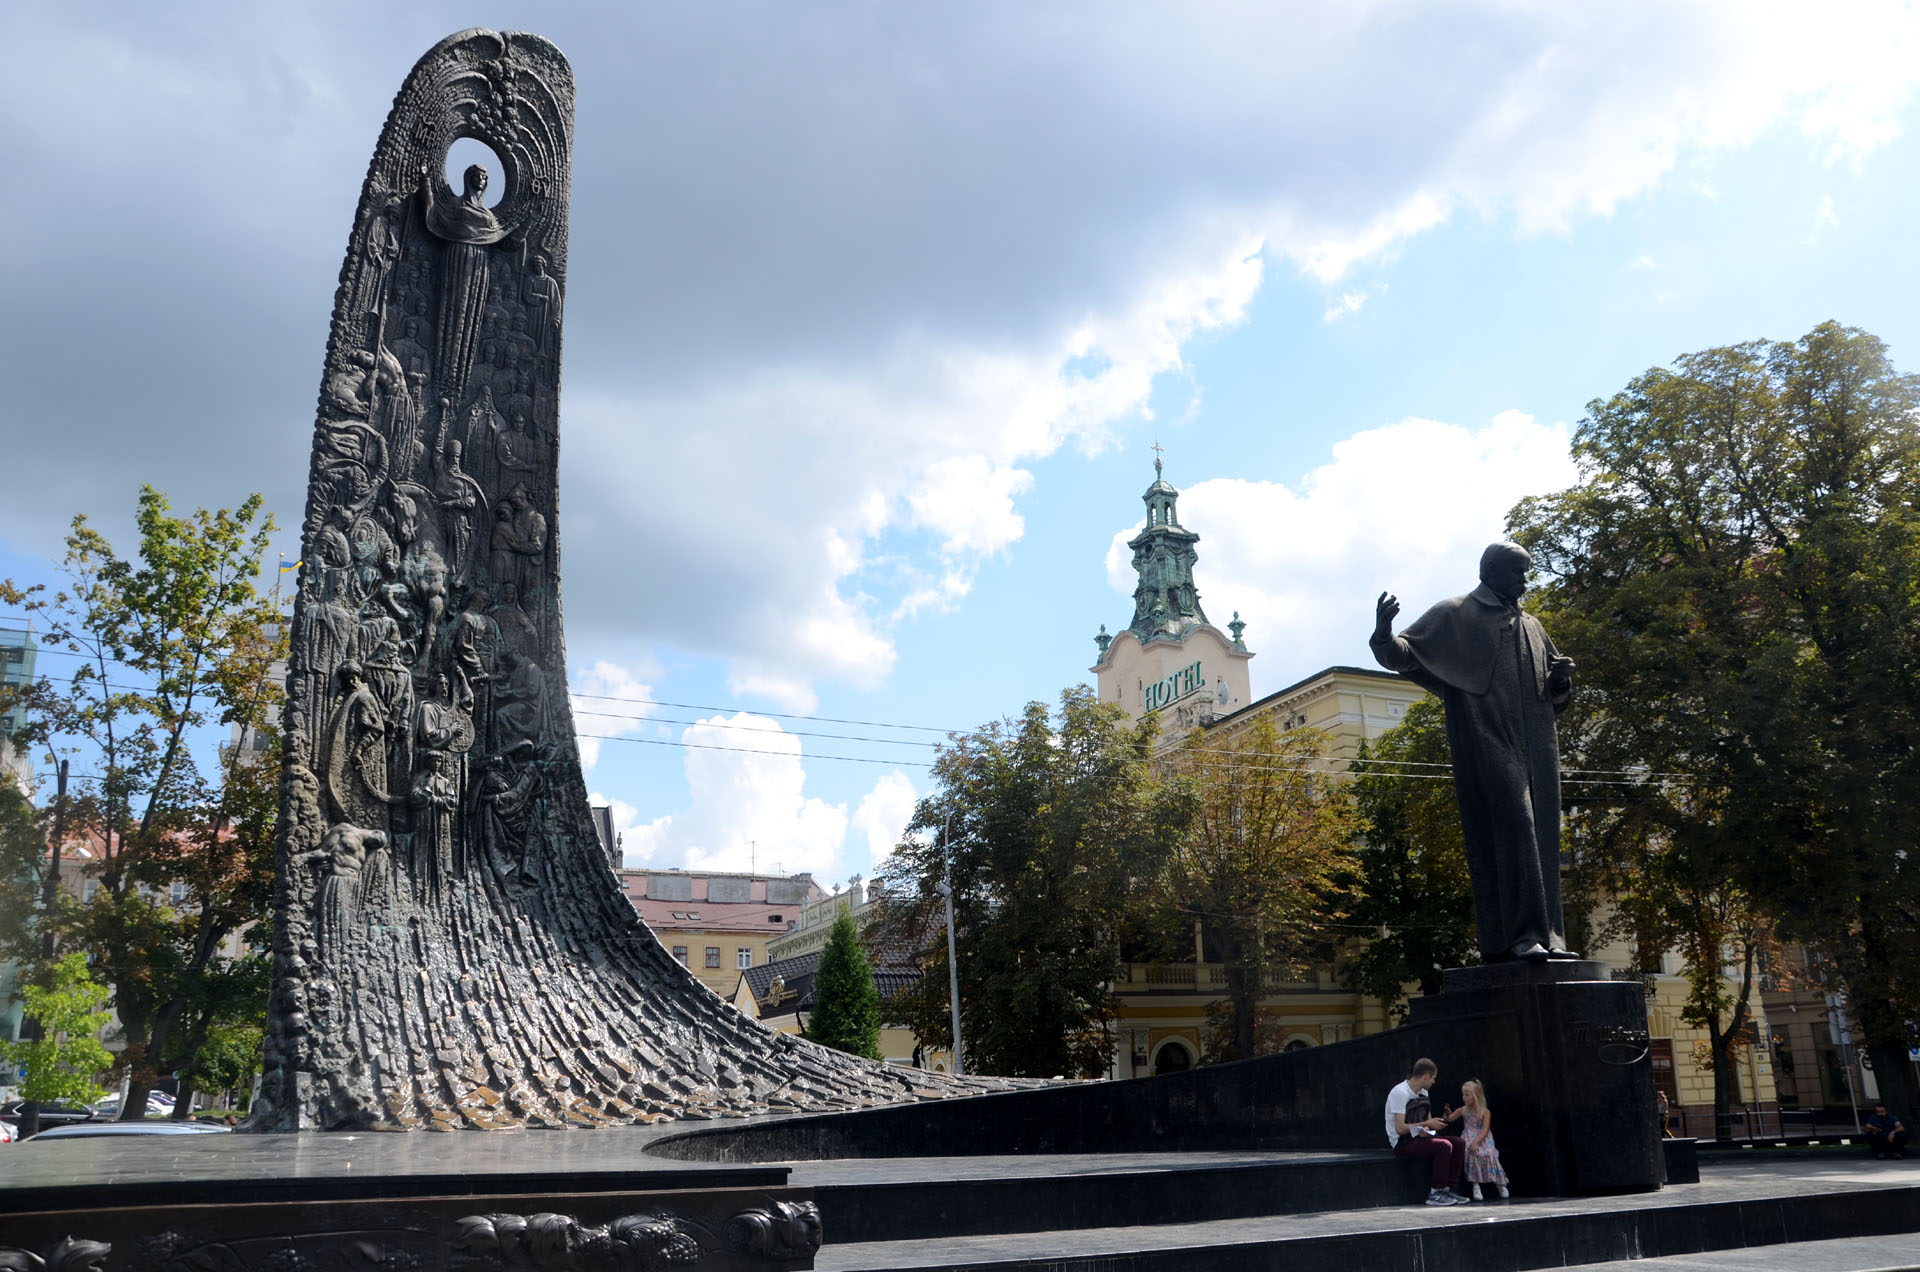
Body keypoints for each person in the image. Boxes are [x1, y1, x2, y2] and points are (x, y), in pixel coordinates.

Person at [1371, 543, 1579, 962]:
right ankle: (1519, 938)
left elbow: (1554, 698)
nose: (1525, 581)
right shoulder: (1455, 612)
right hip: (1487, 738)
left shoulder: (1534, 626)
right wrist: (1383, 632)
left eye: (1527, 572)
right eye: (1517, 573)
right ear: (1490, 570)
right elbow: (1402, 655)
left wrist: (1560, 681)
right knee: (1515, 826)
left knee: (1540, 836)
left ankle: (1548, 938)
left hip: (1538, 747)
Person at [1385, 1057, 1464, 1205]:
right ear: (1426, 1076)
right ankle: (1435, 1193)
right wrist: (1427, 1123)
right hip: (1402, 1143)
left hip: (1420, 1138)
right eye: (1433, 1078)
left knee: (1458, 1143)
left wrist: (1429, 1127)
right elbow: (1400, 1128)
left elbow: (1427, 1121)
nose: (1434, 1082)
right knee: (1444, 1146)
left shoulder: (1424, 1093)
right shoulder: (1400, 1093)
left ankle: (1448, 1189)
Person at [1447, 1080, 1510, 1201]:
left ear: (1476, 1096)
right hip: (1468, 1136)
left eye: (1467, 1095)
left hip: (1482, 1137)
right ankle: (1475, 1185)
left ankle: (1500, 1183)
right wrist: (1447, 1114)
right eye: (1463, 1094)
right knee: (1471, 1154)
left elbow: (1485, 1129)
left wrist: (1476, 1141)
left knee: (1489, 1154)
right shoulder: (1463, 1110)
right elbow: (1449, 1119)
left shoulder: (1485, 1112)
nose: (1463, 1097)